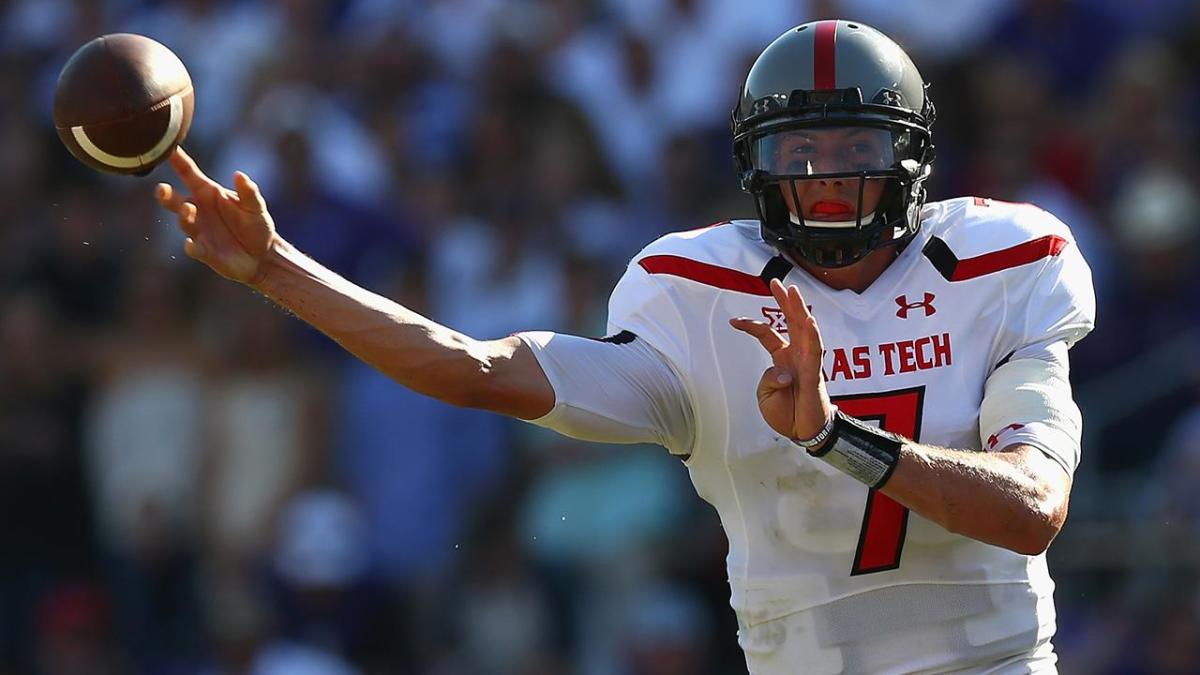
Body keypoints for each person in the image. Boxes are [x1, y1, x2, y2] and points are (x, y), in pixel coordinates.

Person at [155, 19, 1094, 675]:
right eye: (797, 157)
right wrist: (279, 269)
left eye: (853, 150)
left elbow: (1034, 507)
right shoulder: (701, 293)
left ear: (911, 158)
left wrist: (832, 436)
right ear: (755, 170)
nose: (826, 182)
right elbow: (474, 370)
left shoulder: (998, 262)